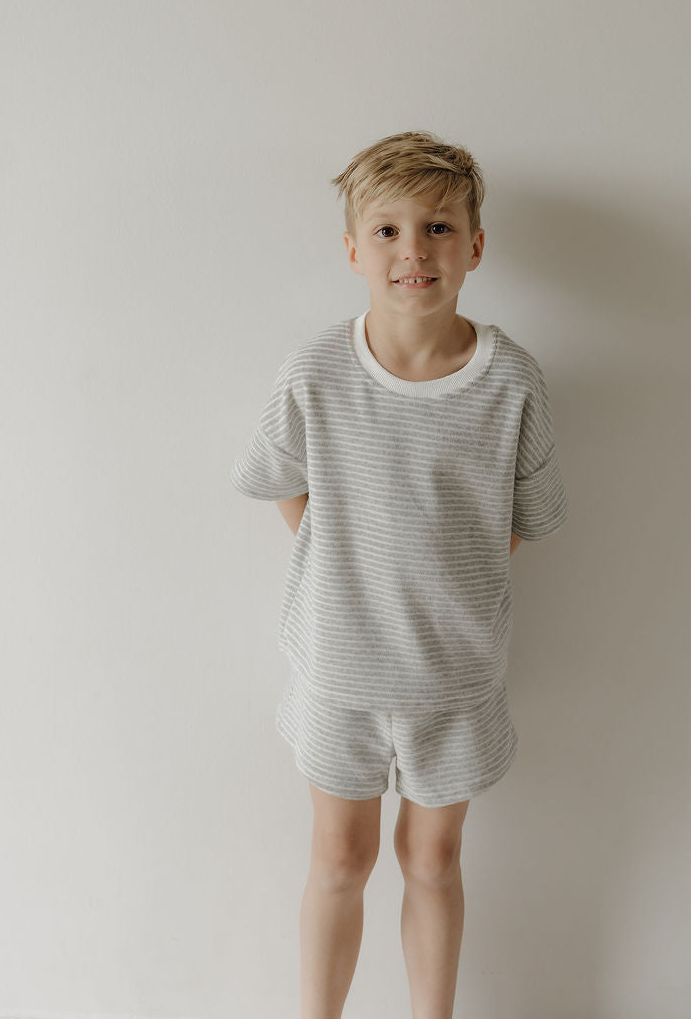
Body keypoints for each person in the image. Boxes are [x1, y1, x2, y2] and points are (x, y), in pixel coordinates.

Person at [229, 129, 569, 1019]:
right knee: (340, 859)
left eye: (439, 227)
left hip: (455, 685)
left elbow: (522, 523)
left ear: (476, 245)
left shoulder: (514, 383)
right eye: (387, 231)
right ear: (353, 250)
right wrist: (354, 562)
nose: (414, 250)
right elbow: (280, 484)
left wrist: (437, 581)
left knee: (434, 861)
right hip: (338, 673)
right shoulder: (315, 371)